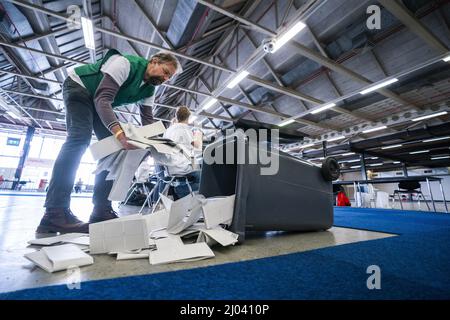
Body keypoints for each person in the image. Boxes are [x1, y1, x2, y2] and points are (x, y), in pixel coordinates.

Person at [36, 49, 181, 234]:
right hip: (79, 88)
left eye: (169, 77)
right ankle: (54, 212)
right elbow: (102, 98)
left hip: (98, 101)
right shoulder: (126, 64)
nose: (166, 79)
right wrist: (119, 133)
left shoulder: (150, 89)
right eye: (166, 72)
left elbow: (147, 121)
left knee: (111, 150)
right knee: (79, 139)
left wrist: (157, 146)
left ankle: (101, 210)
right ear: (153, 61)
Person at [153, 106, 201, 201]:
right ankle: (189, 198)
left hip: (170, 169)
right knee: (202, 175)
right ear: (188, 117)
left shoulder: (168, 131)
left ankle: (179, 194)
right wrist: (198, 132)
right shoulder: (186, 129)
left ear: (176, 116)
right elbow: (197, 146)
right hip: (181, 167)